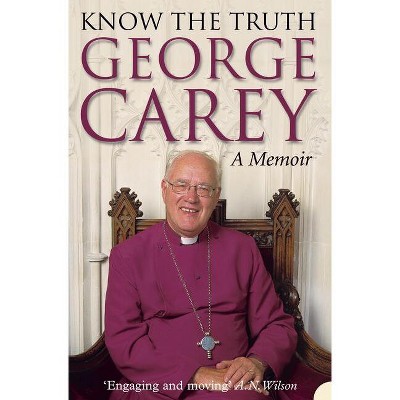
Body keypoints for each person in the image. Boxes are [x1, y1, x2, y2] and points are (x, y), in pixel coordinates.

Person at [105, 151, 297, 400]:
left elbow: (277, 325)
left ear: (216, 196)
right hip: (156, 387)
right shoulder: (128, 255)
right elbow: (124, 340)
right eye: (181, 185)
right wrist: (196, 374)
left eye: (204, 188)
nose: (191, 197)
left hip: (232, 388)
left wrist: (256, 363)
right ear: (164, 189)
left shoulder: (242, 249)